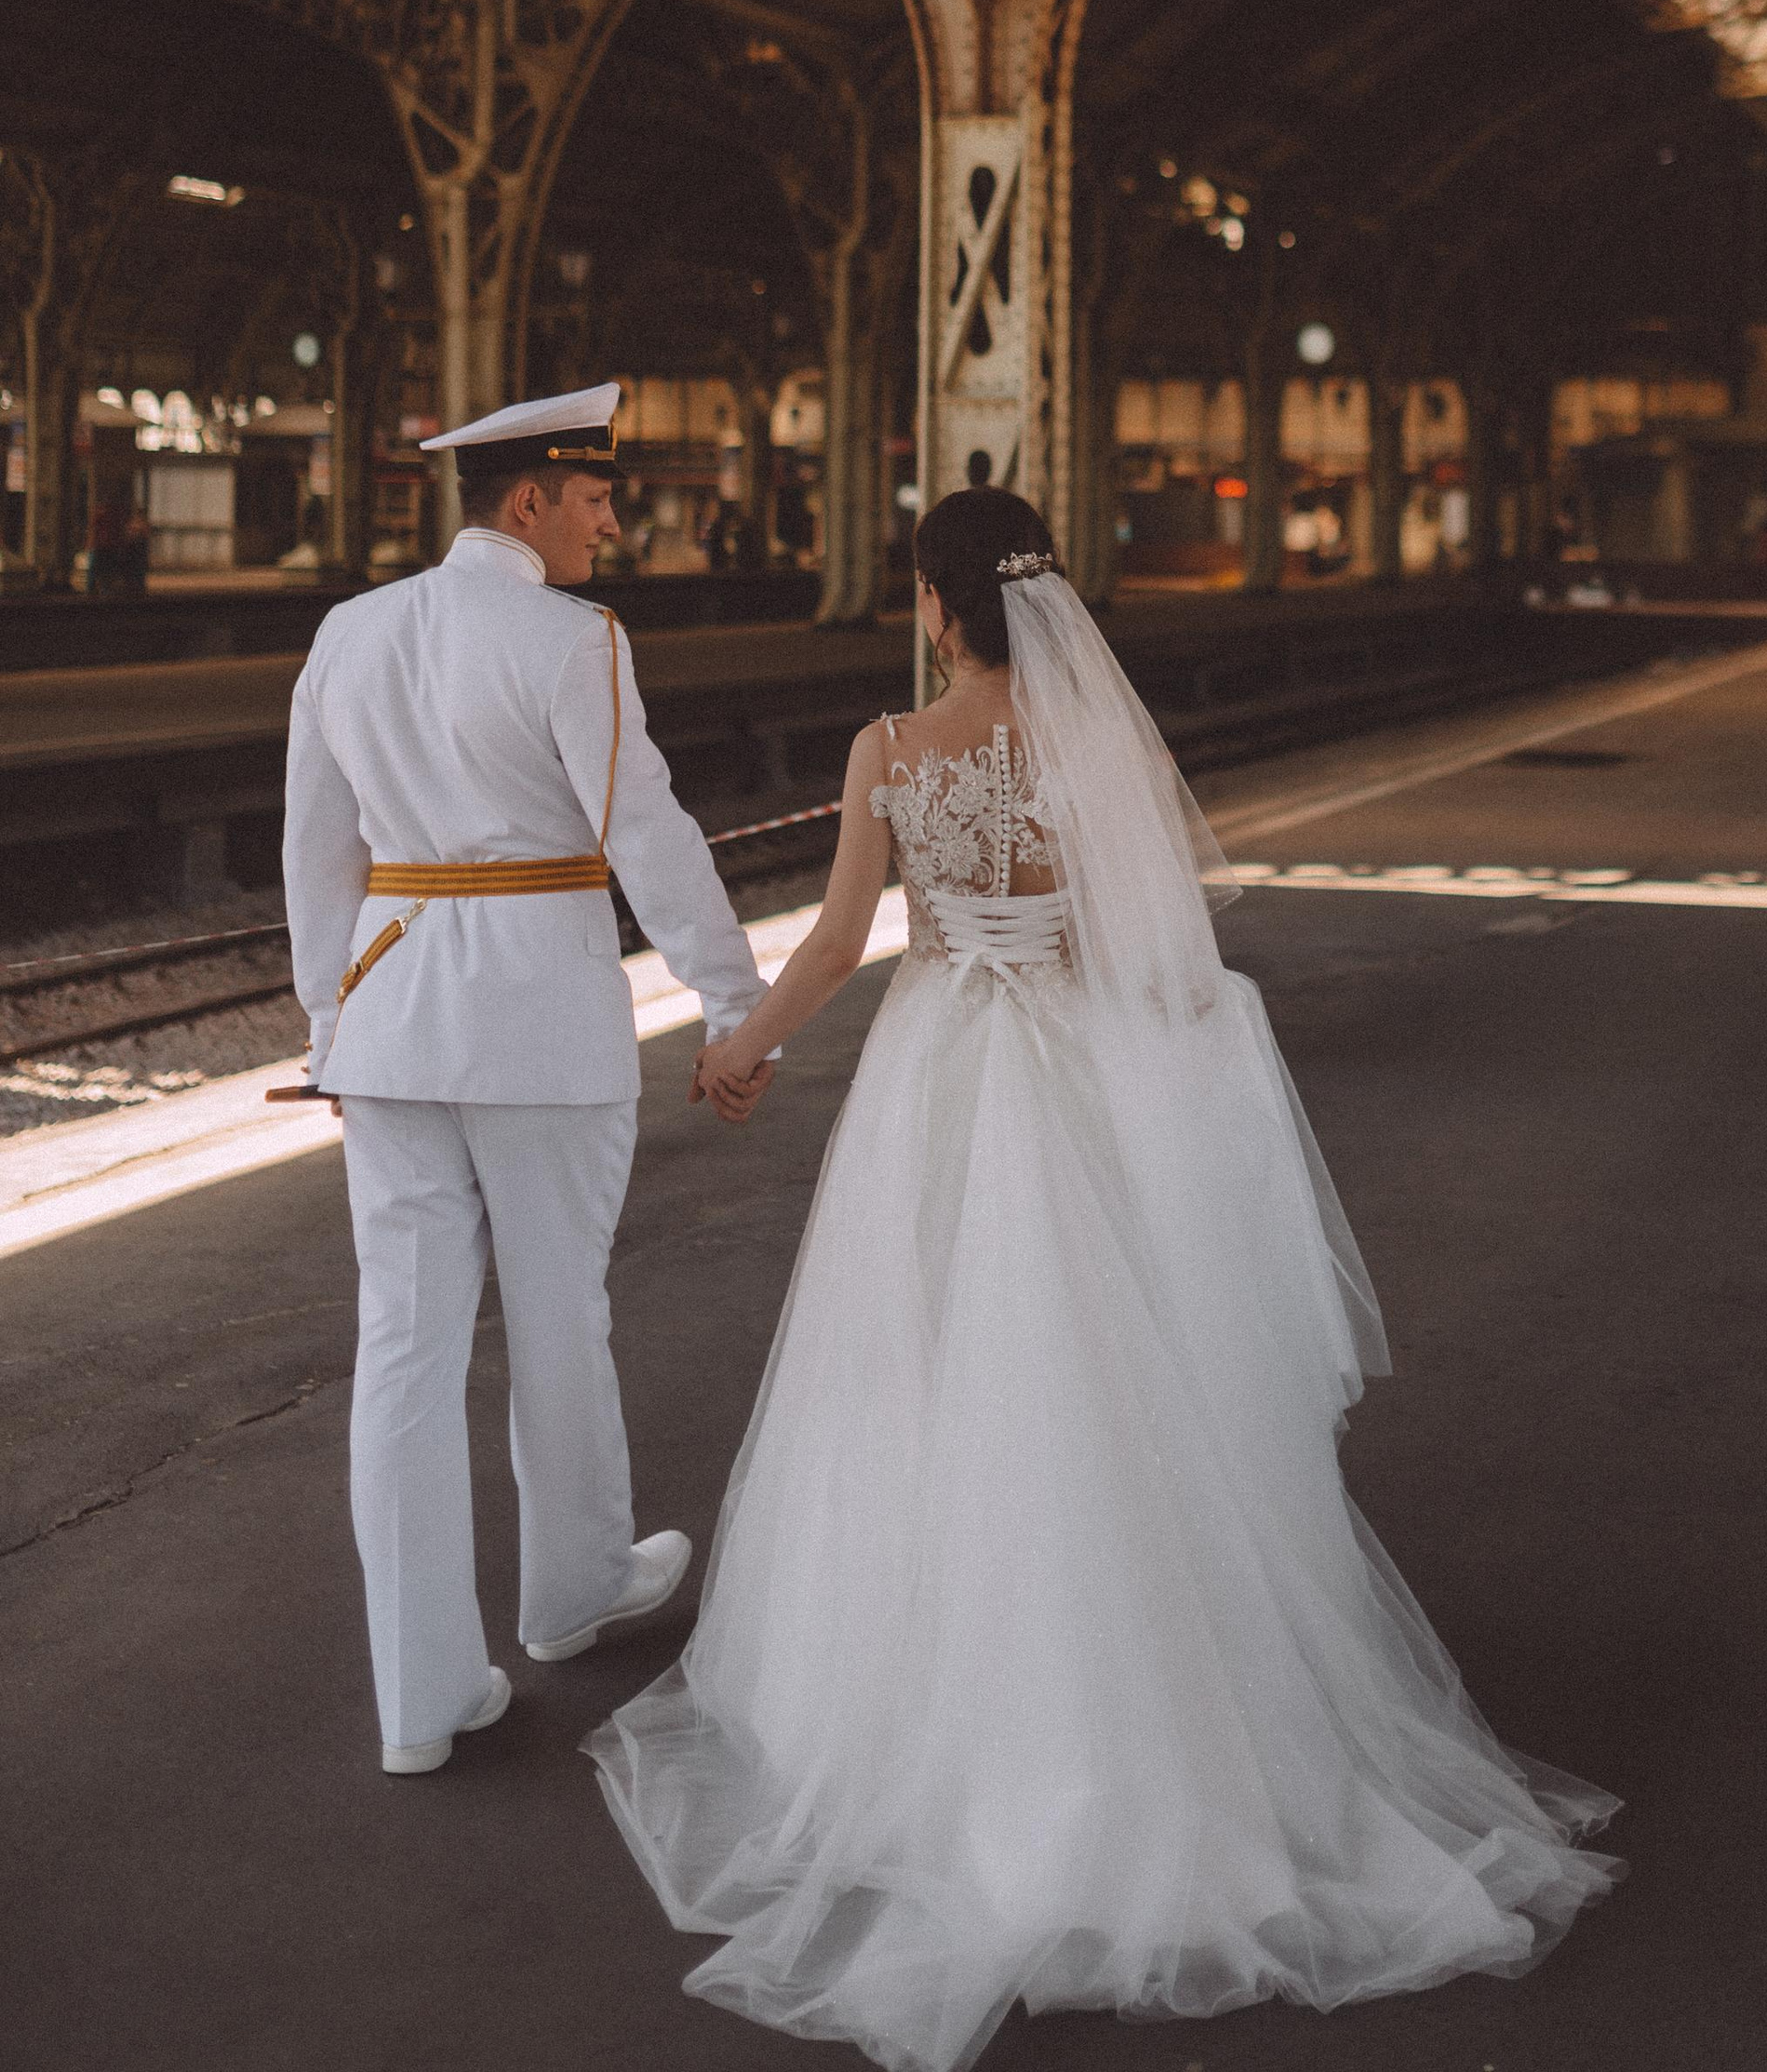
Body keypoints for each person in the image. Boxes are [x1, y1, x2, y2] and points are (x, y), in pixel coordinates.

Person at [588, 484, 1618, 2066]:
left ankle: (935, 1705)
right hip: (1080, 1079)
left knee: (928, 1378)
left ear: (937, 605)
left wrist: (739, 1049)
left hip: (940, 1082)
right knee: (1110, 1382)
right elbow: (1164, 961)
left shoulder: (892, 747)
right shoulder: (1104, 750)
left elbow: (845, 936)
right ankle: (1152, 1718)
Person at [283, 382, 778, 1780]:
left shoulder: (350, 630)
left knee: (406, 1346)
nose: (614, 519)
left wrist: (331, 1011)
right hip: (541, 1026)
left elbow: (314, 844)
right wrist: (733, 1004)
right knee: (559, 1311)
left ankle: (418, 1697)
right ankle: (569, 1594)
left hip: (390, 1025)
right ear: (528, 503)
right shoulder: (575, 640)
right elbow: (648, 832)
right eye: (596, 496)